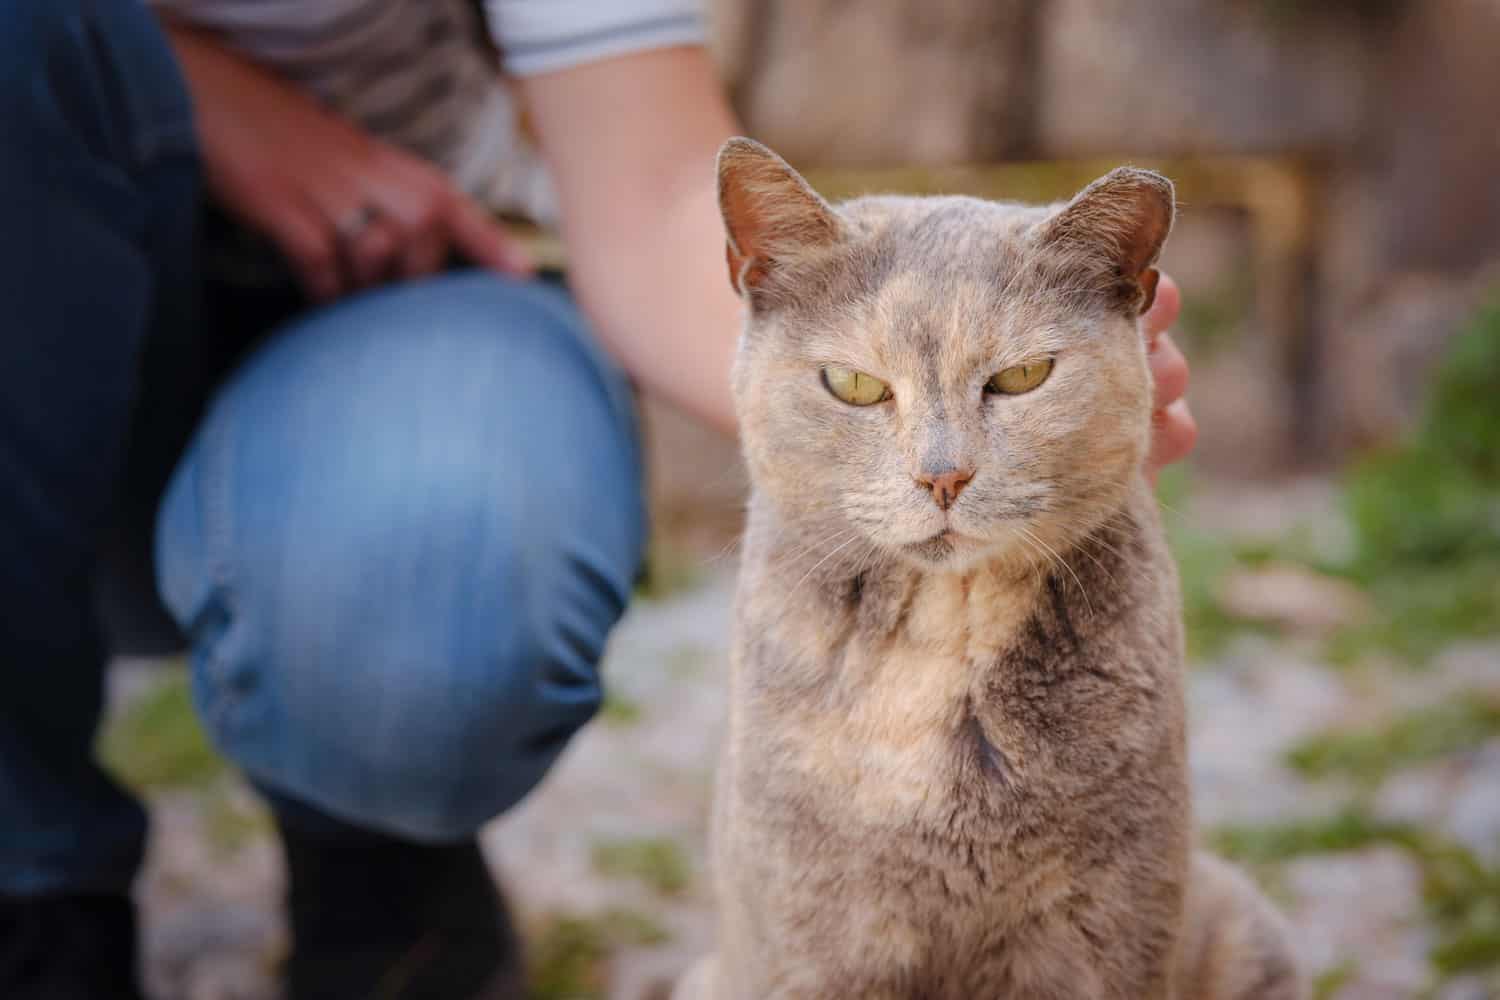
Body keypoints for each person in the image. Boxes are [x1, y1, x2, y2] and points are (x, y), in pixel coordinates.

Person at [0, 1, 1199, 996]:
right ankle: (34, 874)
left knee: (435, 613)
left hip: (413, 283)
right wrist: (223, 108)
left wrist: (984, 388)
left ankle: (374, 845)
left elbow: (665, 180)